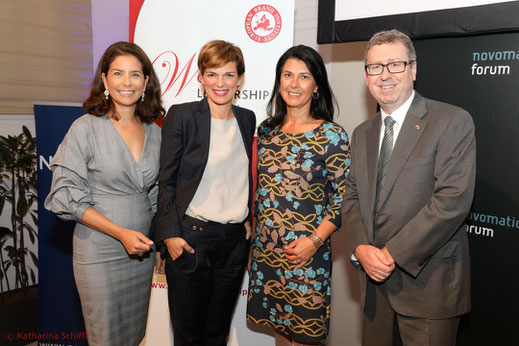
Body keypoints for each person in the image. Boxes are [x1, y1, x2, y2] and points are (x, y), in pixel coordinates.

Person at [340, 29, 476, 346]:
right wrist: (360, 248)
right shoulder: (362, 133)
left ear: (413, 69)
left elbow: (451, 203)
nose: (385, 75)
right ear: (366, 75)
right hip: (374, 290)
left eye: (395, 65)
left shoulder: (451, 121)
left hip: (429, 287)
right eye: (375, 67)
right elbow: (351, 199)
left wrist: (390, 254)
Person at [44, 41, 165, 345]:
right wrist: (120, 233)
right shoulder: (85, 128)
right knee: (105, 336)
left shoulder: (155, 131)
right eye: (118, 74)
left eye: (135, 74)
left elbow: (156, 195)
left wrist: (157, 241)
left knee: (134, 334)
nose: (127, 83)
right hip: (98, 249)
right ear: (105, 79)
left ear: (146, 81)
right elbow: (64, 195)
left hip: (140, 252)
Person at [154, 40, 256, 346]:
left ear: (240, 79)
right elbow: (167, 180)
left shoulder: (247, 118)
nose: (220, 83)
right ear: (200, 77)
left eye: (228, 74)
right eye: (212, 74)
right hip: (191, 239)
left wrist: (248, 217)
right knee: (188, 335)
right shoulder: (182, 115)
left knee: (217, 333)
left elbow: (244, 176)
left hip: (235, 243)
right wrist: (169, 235)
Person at [247, 45, 350, 345]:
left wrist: (314, 242)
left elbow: (344, 199)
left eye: (304, 77)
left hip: (307, 256)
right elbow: (260, 191)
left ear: (316, 85)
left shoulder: (332, 135)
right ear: (278, 81)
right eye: (287, 75)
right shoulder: (266, 131)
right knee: (279, 331)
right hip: (266, 254)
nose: (294, 84)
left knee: (306, 335)